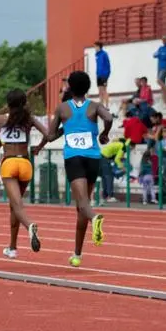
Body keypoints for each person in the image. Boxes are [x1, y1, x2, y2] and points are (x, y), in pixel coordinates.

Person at [39, 71, 111, 267]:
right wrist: (104, 133)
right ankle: (77, 254)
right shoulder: (94, 106)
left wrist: (57, 129)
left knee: (83, 204)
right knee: (81, 207)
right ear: (88, 88)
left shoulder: (62, 108)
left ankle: (96, 218)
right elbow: (109, 117)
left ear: (69, 87)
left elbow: (51, 135)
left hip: (74, 159)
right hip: (93, 158)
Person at [0, 89, 49, 259]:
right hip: (25, 163)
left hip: (9, 163)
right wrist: (38, 148)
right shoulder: (28, 119)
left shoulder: (1, 120)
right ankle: (12, 247)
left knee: (17, 206)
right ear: (24, 103)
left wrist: (2, 141)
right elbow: (48, 134)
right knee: (14, 207)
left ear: (8, 104)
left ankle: (30, 225)